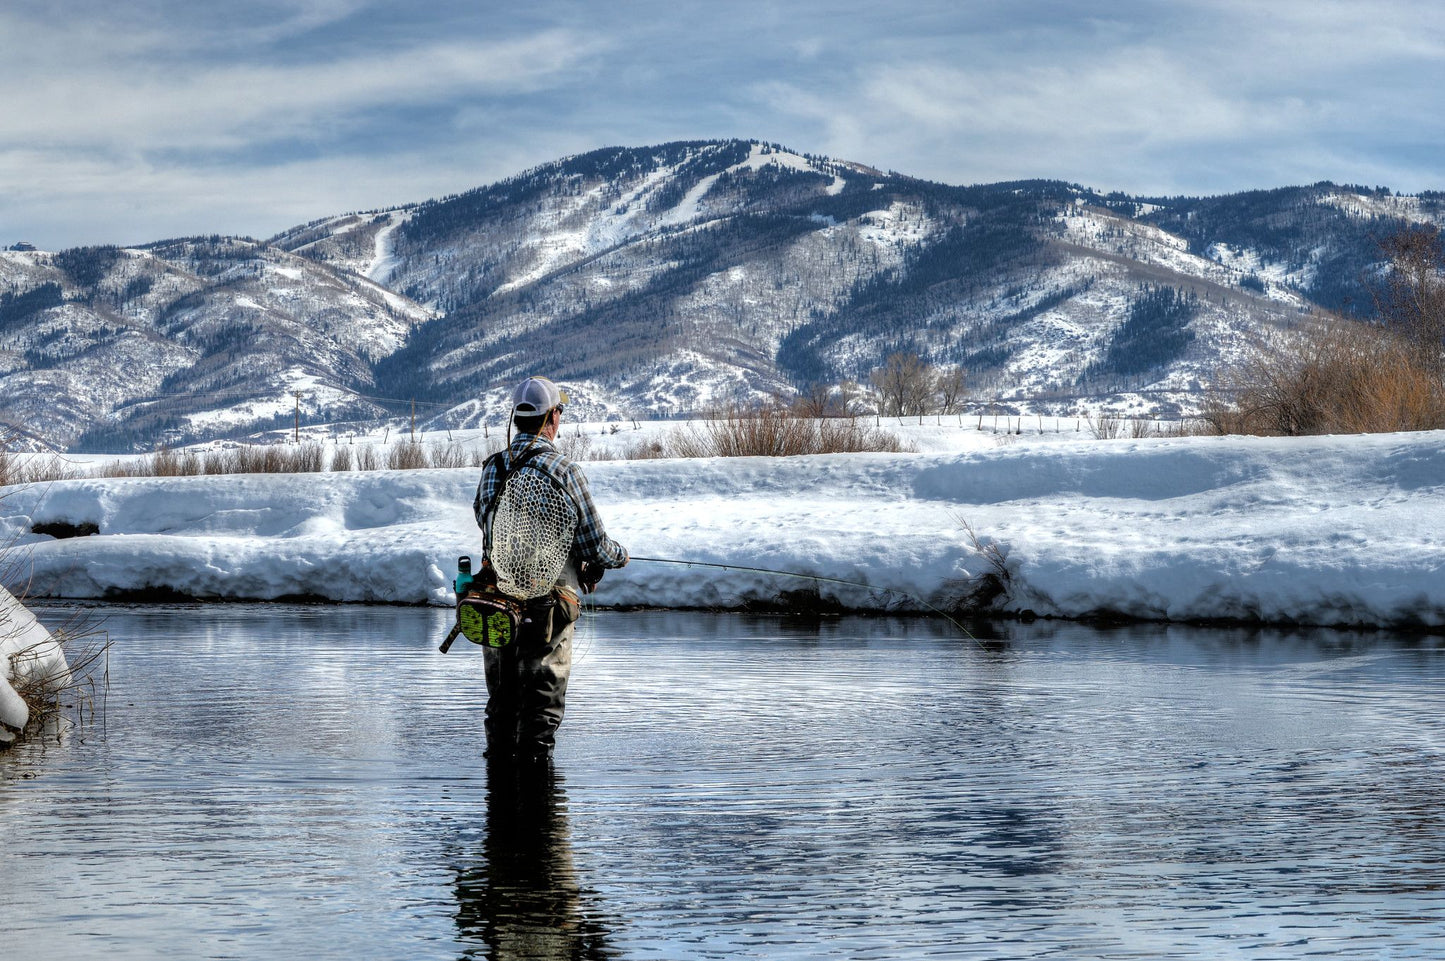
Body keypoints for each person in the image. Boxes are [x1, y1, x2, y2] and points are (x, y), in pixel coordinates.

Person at [472, 376, 628, 764]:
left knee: (502, 706)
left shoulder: (494, 467)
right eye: (559, 411)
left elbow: (484, 520)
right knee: (541, 712)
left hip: (497, 603)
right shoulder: (564, 470)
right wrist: (619, 556)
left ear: (517, 418)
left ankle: (500, 809)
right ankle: (541, 813)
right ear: (552, 417)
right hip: (549, 608)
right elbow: (595, 544)